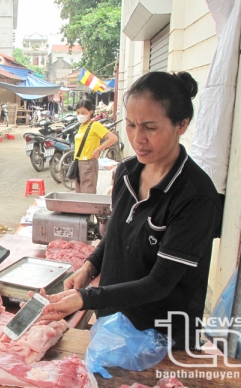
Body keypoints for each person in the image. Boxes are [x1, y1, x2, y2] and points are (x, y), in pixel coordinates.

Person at [39, 72, 223, 350]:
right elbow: (115, 234)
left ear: (181, 125)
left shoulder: (196, 196)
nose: (138, 138)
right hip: (113, 323)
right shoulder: (126, 172)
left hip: (161, 339)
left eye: (150, 127)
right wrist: (89, 268)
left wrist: (86, 299)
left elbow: (159, 283)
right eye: (130, 125)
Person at [73, 99, 118, 193]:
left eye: (83, 112)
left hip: (88, 163)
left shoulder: (95, 125)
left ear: (90, 112)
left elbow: (113, 138)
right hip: (78, 162)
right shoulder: (81, 126)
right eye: (78, 112)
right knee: (79, 193)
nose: (80, 115)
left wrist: (98, 149)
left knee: (87, 193)